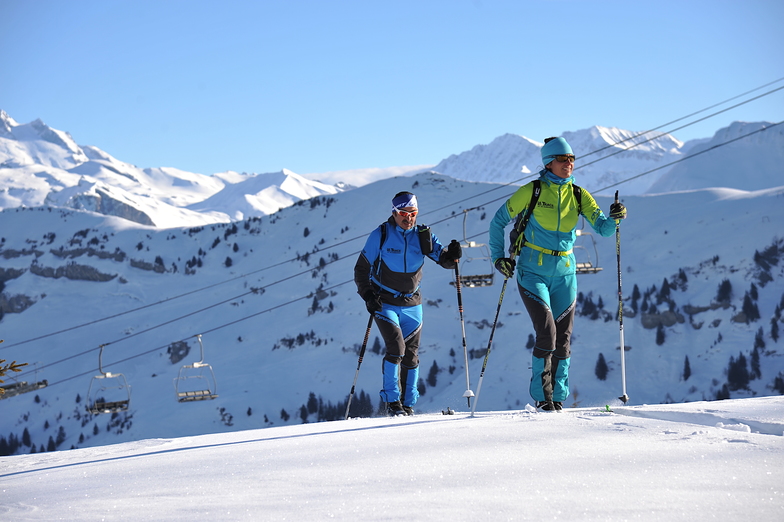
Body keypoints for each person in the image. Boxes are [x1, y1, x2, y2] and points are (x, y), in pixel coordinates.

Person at [488, 137, 627, 411]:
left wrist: (615, 218)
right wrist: (497, 257)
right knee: (547, 333)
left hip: (565, 272)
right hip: (532, 271)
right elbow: (498, 221)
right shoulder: (532, 191)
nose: (569, 164)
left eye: (572, 158)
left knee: (563, 338)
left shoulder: (578, 194)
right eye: (563, 159)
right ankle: (542, 397)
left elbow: (603, 229)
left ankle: (558, 397)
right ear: (548, 163)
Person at [354, 191, 462, 416]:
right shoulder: (381, 235)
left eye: (412, 213)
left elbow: (444, 260)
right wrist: (368, 295)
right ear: (394, 213)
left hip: (413, 303)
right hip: (385, 301)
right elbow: (361, 269)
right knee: (396, 348)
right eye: (403, 213)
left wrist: (452, 256)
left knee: (411, 355)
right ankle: (393, 403)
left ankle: (408, 404)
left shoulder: (423, 236)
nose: (408, 218)